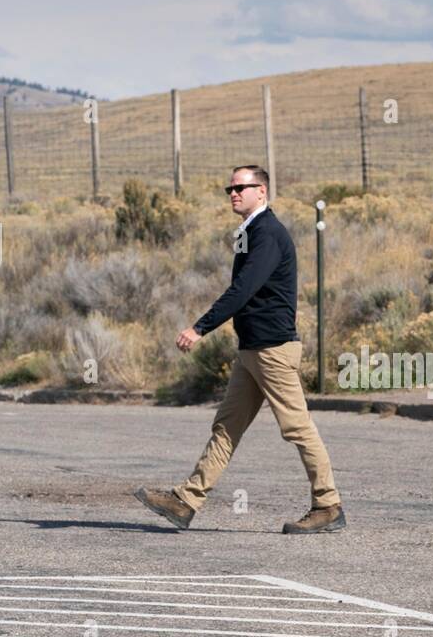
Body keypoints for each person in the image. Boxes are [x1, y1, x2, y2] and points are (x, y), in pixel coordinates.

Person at [134, 165, 346, 534]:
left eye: (240, 187)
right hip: (252, 350)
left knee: (297, 428)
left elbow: (243, 288)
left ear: (261, 191)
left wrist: (200, 328)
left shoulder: (267, 233)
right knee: (226, 428)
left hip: (272, 350)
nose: (232, 193)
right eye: (229, 188)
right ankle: (186, 501)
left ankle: (327, 505)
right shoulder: (251, 231)